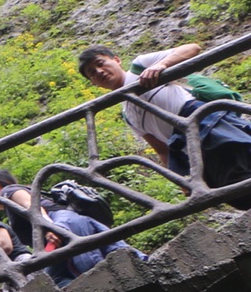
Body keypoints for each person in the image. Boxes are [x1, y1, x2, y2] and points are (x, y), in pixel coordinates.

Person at [78, 43, 251, 197]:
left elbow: (192, 48)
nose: (99, 71)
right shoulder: (128, 115)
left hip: (204, 121)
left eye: (100, 64)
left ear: (116, 60)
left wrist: (162, 65)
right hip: (188, 147)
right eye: (92, 73)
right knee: (235, 191)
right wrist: (178, 178)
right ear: (94, 83)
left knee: (238, 158)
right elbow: (161, 149)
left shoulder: (140, 66)